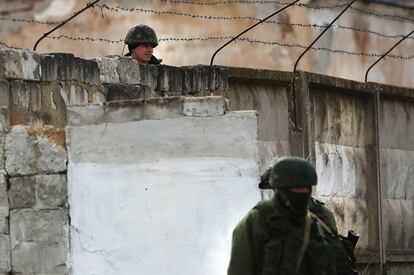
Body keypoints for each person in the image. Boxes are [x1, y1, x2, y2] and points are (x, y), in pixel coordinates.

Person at [227, 157, 358, 275]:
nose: (302, 193)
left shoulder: (316, 222)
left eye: (305, 188)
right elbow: (240, 267)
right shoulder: (258, 220)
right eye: (296, 188)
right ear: (282, 190)